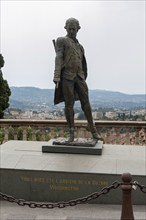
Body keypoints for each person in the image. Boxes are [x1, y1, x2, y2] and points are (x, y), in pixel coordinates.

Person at [53, 18, 101, 142]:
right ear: (66, 28)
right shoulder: (61, 40)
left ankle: (93, 129)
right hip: (67, 77)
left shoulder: (80, 47)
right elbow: (58, 57)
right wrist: (56, 74)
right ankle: (71, 133)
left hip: (79, 76)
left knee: (86, 103)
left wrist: (83, 76)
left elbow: (83, 63)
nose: (72, 31)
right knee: (69, 105)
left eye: (74, 29)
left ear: (78, 29)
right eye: (69, 28)